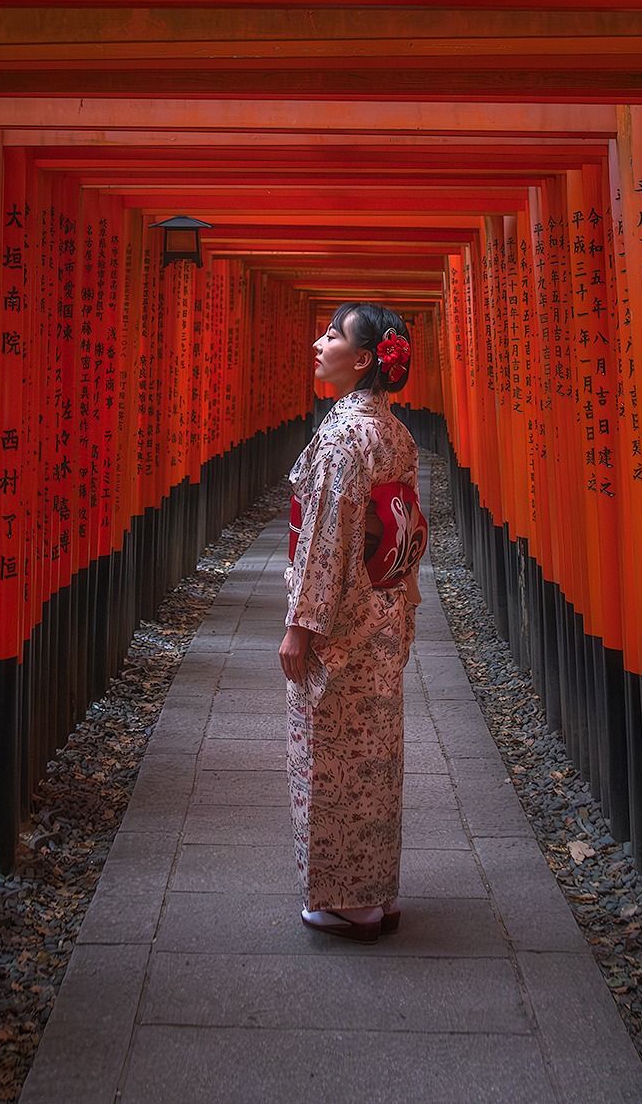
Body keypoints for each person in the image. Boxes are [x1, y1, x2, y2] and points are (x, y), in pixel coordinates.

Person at [279, 301, 428, 942]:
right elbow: (410, 531)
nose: (320, 342)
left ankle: (343, 898)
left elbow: (325, 540)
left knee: (329, 753)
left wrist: (301, 627)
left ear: (365, 359)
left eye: (333, 336)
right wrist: (405, 602)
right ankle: (376, 892)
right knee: (375, 758)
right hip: (383, 610)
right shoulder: (393, 433)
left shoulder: (345, 437)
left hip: (342, 623)